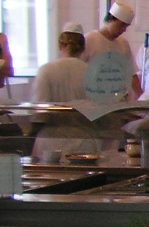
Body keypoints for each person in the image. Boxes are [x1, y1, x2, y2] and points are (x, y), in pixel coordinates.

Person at [30, 23, 98, 162]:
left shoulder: (46, 70)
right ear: (83, 48)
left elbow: (40, 115)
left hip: (51, 145)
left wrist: (29, 135)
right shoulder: (93, 73)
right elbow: (100, 113)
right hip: (84, 143)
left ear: (60, 45)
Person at [82, 0, 139, 97]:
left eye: (126, 26)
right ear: (111, 19)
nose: (124, 30)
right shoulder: (89, 40)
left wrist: (141, 96)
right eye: (122, 25)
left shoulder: (123, 43)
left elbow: (131, 74)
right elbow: (78, 70)